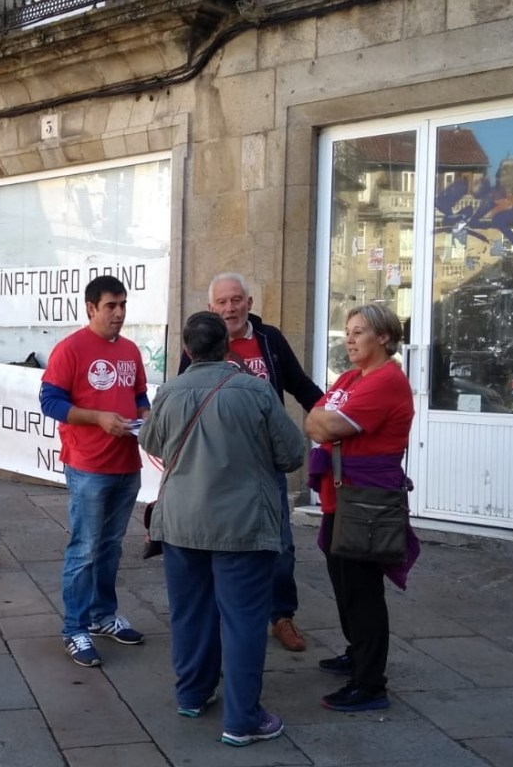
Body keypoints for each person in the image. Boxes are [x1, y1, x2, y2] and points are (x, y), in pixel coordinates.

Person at [141, 311, 305, 747]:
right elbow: (292, 454)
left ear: (188, 350)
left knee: (190, 613)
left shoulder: (169, 391)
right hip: (242, 524)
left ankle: (192, 694)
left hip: (180, 523)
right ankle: (242, 718)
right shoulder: (255, 391)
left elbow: (151, 443)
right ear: (226, 347)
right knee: (244, 620)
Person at [179, 273, 322, 652]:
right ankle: (226, 614)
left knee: (281, 545)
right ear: (211, 308)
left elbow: (300, 385)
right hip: (216, 466)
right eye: (223, 302)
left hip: (265, 465)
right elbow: (183, 395)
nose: (230, 308)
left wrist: (332, 415)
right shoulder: (199, 342)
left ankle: (281, 616)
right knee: (216, 545)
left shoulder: (269, 340)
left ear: (250, 302)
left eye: (237, 299)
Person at [304, 303, 415, 712]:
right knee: (344, 583)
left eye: (359, 332)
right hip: (343, 496)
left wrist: (323, 420)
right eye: (347, 331)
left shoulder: (385, 381)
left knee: (362, 590)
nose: (348, 339)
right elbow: (315, 417)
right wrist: (321, 419)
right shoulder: (353, 377)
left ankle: (370, 683)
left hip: (366, 500)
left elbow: (324, 425)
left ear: (383, 337)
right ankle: (357, 653)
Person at [39, 275, 150, 668]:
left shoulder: (132, 350)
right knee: (84, 548)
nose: (119, 313)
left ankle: (104, 615)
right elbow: (49, 401)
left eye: (123, 305)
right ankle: (74, 628)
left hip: (126, 462)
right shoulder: (70, 349)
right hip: (88, 465)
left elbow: (139, 394)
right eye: (111, 306)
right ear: (91, 308)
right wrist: (97, 418)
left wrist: (147, 419)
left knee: (111, 546)